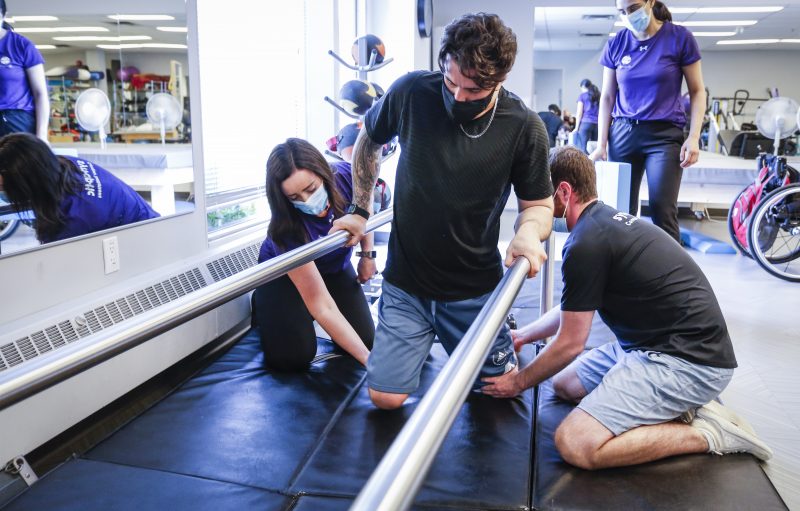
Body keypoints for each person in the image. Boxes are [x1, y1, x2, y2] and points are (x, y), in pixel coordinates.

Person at [482, 146, 772, 469]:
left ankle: (710, 433)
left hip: (691, 361)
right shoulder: (602, 222)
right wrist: (522, 336)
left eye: (541, 199)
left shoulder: (586, 244)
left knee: (576, 444)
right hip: (649, 345)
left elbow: (570, 343)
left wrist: (517, 383)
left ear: (564, 192)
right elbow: (572, 309)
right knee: (564, 385)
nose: (537, 209)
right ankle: (672, 406)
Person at [331, 13, 554, 410]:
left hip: (473, 287)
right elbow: (368, 139)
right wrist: (359, 209)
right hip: (406, 284)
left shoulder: (523, 127)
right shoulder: (413, 91)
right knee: (385, 398)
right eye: (451, 82)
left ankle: (497, 330)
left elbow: (538, 205)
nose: (458, 97)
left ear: (499, 80)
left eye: (473, 90)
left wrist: (528, 232)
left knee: (495, 390)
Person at [253, 138, 374, 371]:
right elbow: (321, 306)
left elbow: (366, 213)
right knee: (293, 357)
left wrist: (366, 256)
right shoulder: (286, 231)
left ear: (323, 173)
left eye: (311, 189)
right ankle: (269, 308)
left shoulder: (346, 176)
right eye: (295, 198)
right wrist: (372, 364)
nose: (307, 201)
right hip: (284, 280)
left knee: (366, 340)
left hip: (332, 267)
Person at [590, 0, 706, 242]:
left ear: (651, 2)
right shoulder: (617, 43)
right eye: (622, 12)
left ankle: (671, 276)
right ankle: (624, 272)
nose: (628, 16)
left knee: (662, 208)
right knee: (620, 212)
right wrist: (601, 143)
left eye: (633, 8)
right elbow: (608, 97)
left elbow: (696, 91)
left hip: (664, 136)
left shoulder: (679, 38)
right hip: (623, 133)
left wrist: (694, 137)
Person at [0, 133, 160, 243]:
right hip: (153, 225)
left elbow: (58, 265)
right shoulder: (63, 164)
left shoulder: (73, 216)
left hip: (146, 241)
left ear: (24, 181)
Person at [0, 0, 50, 141]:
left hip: (17, 121)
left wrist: (42, 136)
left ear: (4, 15)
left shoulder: (21, 45)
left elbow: (40, 94)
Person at [572, 79, 600, 153]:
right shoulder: (598, 95)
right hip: (597, 125)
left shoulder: (582, 96)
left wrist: (576, 128)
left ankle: (583, 164)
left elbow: (579, 113)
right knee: (594, 149)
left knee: (582, 149)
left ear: (583, 86)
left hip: (585, 123)